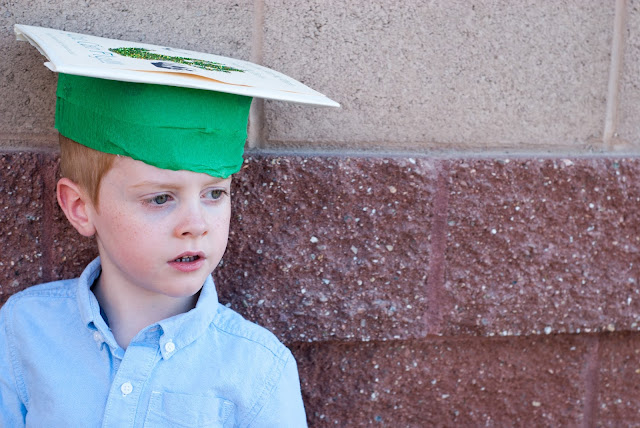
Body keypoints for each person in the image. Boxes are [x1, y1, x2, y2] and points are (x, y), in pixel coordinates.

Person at [0, 26, 339, 426]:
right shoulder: (24, 331)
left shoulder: (259, 372)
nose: (195, 225)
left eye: (214, 193)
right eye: (160, 198)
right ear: (80, 208)